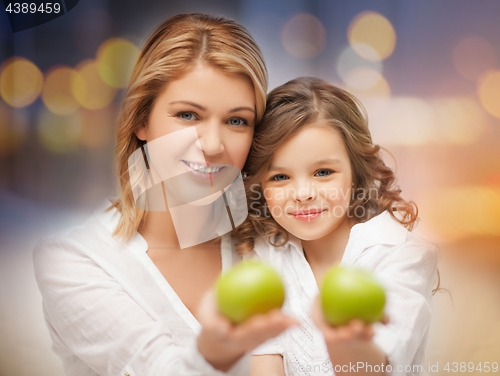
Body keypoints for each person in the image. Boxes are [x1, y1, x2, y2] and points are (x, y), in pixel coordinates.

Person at [33, 13, 296, 376]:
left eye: (237, 121)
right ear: (141, 121)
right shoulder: (75, 261)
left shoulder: (273, 245)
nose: (213, 144)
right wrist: (215, 353)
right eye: (188, 115)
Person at [236, 77, 439, 376]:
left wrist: (339, 334)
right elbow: (265, 363)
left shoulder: (399, 254)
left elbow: (373, 369)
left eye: (323, 172)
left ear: (356, 174)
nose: (303, 193)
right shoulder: (264, 253)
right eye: (280, 177)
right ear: (260, 186)